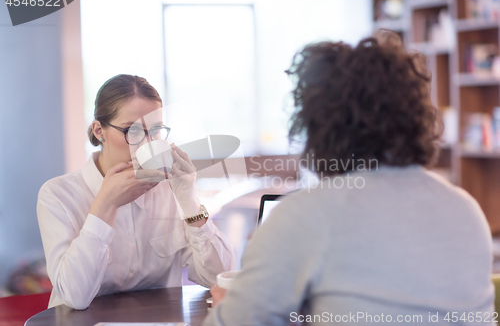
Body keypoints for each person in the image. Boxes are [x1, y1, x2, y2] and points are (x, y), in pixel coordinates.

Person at [203, 31, 495, 325]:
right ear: (417, 117)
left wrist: (225, 308)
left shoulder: (307, 213)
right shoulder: (466, 209)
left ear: (316, 124)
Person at [37, 74, 236, 310]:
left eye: (155, 130)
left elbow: (220, 279)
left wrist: (189, 199)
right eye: (132, 130)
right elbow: (74, 297)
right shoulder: (58, 195)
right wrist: (106, 205)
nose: (146, 144)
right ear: (99, 130)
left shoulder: (170, 190)